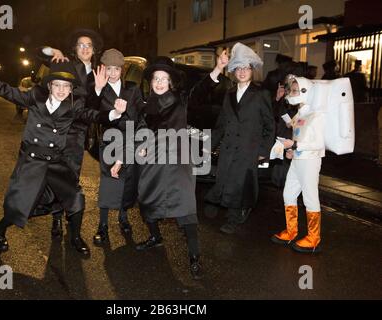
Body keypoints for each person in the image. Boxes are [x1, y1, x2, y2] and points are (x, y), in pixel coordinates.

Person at [0, 57, 124, 255]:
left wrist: (115, 114)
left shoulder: (72, 106)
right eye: (57, 85)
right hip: (32, 161)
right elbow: (5, 90)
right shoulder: (34, 98)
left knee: (75, 197)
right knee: (22, 204)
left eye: (66, 86)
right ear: (49, 85)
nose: (61, 90)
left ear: (70, 89)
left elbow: (92, 115)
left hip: (56, 162)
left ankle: (75, 237)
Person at [110, 54, 228, 279]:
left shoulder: (182, 100)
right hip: (154, 163)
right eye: (156, 78)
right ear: (151, 82)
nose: (160, 82)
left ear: (171, 82)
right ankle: (156, 237)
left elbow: (200, 92)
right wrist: (122, 158)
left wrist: (217, 70)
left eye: (164, 78)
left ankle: (194, 258)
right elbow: (138, 134)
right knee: (148, 202)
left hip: (178, 162)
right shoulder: (146, 107)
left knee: (185, 209)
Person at [35, 29, 104, 238]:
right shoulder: (66, 63)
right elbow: (39, 53)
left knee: (72, 177)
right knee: (56, 175)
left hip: (78, 134)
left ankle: (71, 220)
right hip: (59, 129)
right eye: (80, 45)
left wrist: (99, 90)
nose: (85, 48)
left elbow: (96, 107)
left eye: (89, 45)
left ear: (94, 50)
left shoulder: (98, 73)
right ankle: (56, 218)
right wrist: (51, 50)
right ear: (75, 48)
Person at [204, 42, 275, 235]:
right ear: (233, 71)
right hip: (229, 147)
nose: (242, 72)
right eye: (238, 68)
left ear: (252, 70)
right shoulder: (229, 94)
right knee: (225, 179)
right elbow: (221, 124)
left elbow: (270, 126)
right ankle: (229, 206)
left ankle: (234, 217)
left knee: (240, 183)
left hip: (248, 149)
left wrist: (263, 151)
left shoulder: (261, 94)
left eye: (246, 68)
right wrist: (207, 147)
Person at [91, 49, 142, 244]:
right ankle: (102, 225)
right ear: (103, 70)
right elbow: (93, 112)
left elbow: (139, 117)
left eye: (116, 69)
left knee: (127, 180)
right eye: (108, 69)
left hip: (130, 141)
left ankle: (123, 217)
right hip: (110, 143)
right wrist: (97, 90)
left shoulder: (133, 89)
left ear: (122, 69)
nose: (112, 73)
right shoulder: (99, 89)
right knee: (109, 181)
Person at [271, 75, 325, 253]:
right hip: (298, 159)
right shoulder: (300, 114)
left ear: (305, 92)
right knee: (288, 194)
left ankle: (314, 238)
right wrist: (292, 150)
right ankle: (291, 231)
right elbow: (296, 132)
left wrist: (293, 145)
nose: (291, 94)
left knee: (310, 197)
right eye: (291, 90)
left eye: (295, 91)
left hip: (310, 161)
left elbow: (318, 144)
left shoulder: (316, 115)